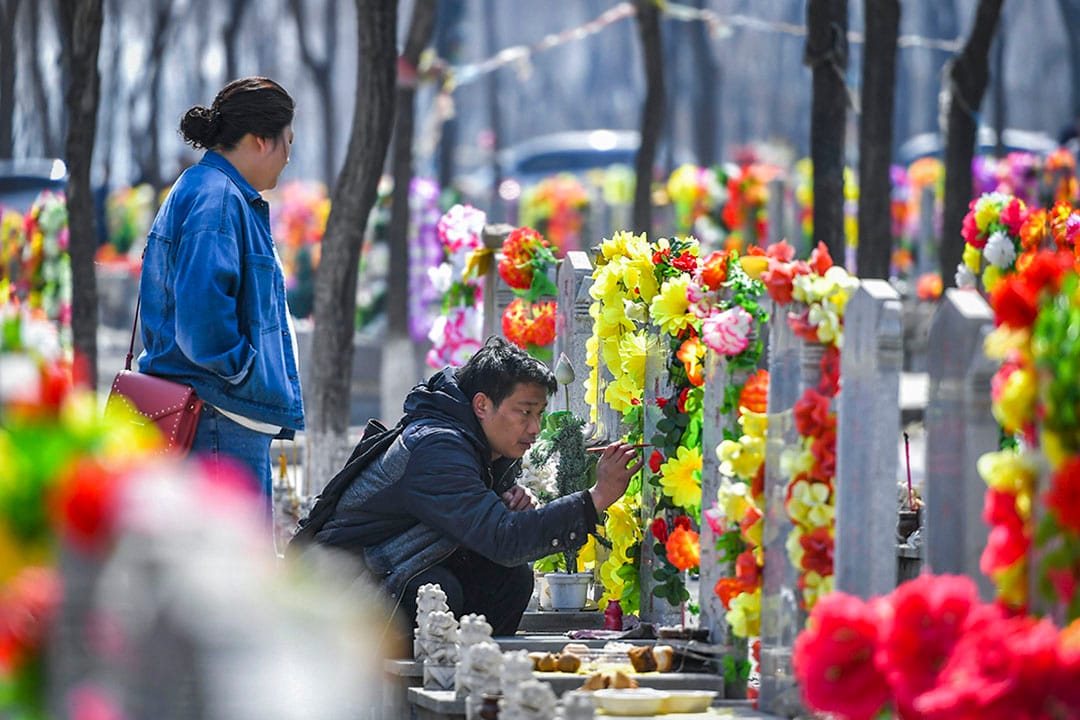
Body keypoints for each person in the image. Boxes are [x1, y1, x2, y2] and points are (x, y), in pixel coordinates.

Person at [314, 337, 643, 637]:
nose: (535, 428)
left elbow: (489, 532)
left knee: (509, 578)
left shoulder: (482, 444)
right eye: (524, 413)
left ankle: (478, 677)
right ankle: (417, 687)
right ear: (482, 405)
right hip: (340, 598)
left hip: (390, 575)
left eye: (540, 414)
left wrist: (503, 502)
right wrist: (597, 497)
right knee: (436, 590)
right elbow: (504, 539)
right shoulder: (437, 448)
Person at [137, 77, 304, 524]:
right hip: (217, 417)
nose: (289, 158)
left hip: (218, 415)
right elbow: (202, 324)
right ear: (260, 140)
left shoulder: (210, 190)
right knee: (232, 581)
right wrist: (244, 372)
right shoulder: (217, 198)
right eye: (287, 143)